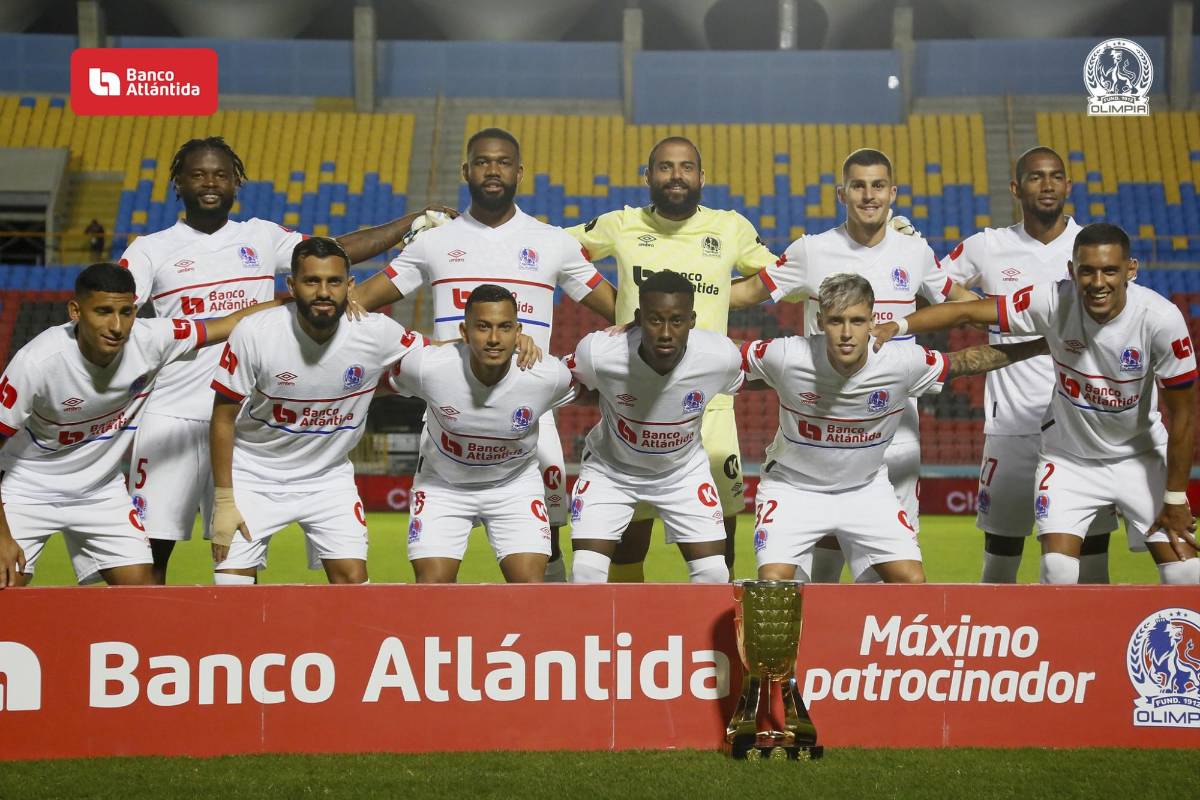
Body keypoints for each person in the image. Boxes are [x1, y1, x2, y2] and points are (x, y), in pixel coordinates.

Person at [119, 136, 449, 583]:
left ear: (237, 181)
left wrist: (411, 223)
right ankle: (150, 646)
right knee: (153, 551)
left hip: (247, 423)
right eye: (197, 174)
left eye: (220, 174)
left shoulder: (260, 235)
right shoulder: (150, 248)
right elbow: (116, 313)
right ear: (178, 183)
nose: (210, 183)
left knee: (237, 558)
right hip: (175, 414)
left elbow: (335, 251)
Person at [348, 127, 617, 581]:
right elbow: (360, 305)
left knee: (547, 556)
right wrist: (428, 349)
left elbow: (621, 312)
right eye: (484, 161)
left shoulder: (553, 242)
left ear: (520, 172)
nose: (494, 170)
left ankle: (548, 644)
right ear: (466, 169)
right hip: (449, 418)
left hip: (530, 418)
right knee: (435, 578)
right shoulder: (433, 242)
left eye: (504, 162)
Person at [874, 222, 1199, 584]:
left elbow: (1184, 416)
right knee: (1057, 571)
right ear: (1071, 271)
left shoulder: (1161, 319)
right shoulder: (1052, 299)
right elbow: (968, 312)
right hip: (1069, 460)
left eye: (1110, 270)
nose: (1098, 282)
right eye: (1087, 271)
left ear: (1131, 270)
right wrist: (898, 326)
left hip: (1139, 458)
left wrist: (1174, 498)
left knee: (1187, 575)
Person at [732, 147, 976, 582]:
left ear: (893, 193)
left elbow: (961, 304)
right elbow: (746, 294)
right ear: (841, 194)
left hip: (896, 429)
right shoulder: (812, 251)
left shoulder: (914, 251)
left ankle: (870, 649)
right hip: (825, 422)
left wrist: (1031, 311)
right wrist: (667, 297)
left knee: (890, 573)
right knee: (822, 553)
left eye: (878, 185)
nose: (869, 195)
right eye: (858, 186)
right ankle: (823, 643)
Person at [566, 136, 778, 580]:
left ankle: (714, 639)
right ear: (648, 177)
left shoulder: (729, 227)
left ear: (702, 177)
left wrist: (725, 297)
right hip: (633, 399)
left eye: (685, 167)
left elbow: (780, 274)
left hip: (709, 402)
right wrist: (612, 303)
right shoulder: (620, 223)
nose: (675, 175)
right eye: (664, 167)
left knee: (720, 544)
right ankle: (629, 639)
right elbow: (556, 252)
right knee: (628, 543)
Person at [743, 273, 1047, 583]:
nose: (847, 333)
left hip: (864, 489)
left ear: (873, 321)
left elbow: (967, 361)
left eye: (857, 321)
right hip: (794, 489)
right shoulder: (785, 355)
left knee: (912, 583)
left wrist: (1041, 345)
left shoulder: (901, 362)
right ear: (820, 322)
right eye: (836, 321)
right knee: (774, 585)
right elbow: (723, 359)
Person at [0, 262, 275, 588]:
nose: (117, 326)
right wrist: (2, 537)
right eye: (103, 312)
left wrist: (303, 299)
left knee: (142, 595)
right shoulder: (38, 363)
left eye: (127, 312)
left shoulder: (152, 339)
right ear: (75, 310)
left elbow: (230, 323)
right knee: (7, 585)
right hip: (27, 490)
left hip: (100, 492)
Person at [208, 237, 432, 585]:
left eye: (334, 282)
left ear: (350, 286)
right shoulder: (255, 332)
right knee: (230, 589)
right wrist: (224, 499)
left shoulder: (375, 332)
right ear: (292, 285)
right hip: (254, 475)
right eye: (312, 281)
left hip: (328, 479)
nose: (323, 291)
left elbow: (437, 356)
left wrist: (499, 344)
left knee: (353, 584)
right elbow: (222, 418)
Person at [944, 146, 1116, 583]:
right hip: (1011, 428)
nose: (1047, 184)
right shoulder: (989, 246)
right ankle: (999, 650)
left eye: (1056, 176)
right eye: (1037, 177)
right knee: (1000, 559)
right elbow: (934, 285)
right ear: (1017, 188)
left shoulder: (1091, 249)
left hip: (1082, 426)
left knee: (1090, 561)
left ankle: (1087, 652)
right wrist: (981, 306)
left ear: (1068, 186)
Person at [388, 284, 577, 583]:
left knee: (531, 590)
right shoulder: (428, 367)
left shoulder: (547, 375)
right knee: (431, 590)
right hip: (443, 485)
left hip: (513, 487)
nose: (493, 339)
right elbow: (375, 384)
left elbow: (597, 389)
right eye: (483, 327)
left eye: (504, 328)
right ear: (464, 331)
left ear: (518, 332)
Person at [566, 270, 744, 585]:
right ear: (637, 318)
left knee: (715, 574)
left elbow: (750, 380)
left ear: (692, 320)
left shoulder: (720, 356)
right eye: (654, 320)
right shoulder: (599, 352)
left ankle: (693, 636)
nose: (665, 332)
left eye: (676, 321)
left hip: (682, 473)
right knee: (586, 573)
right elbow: (565, 385)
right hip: (611, 471)